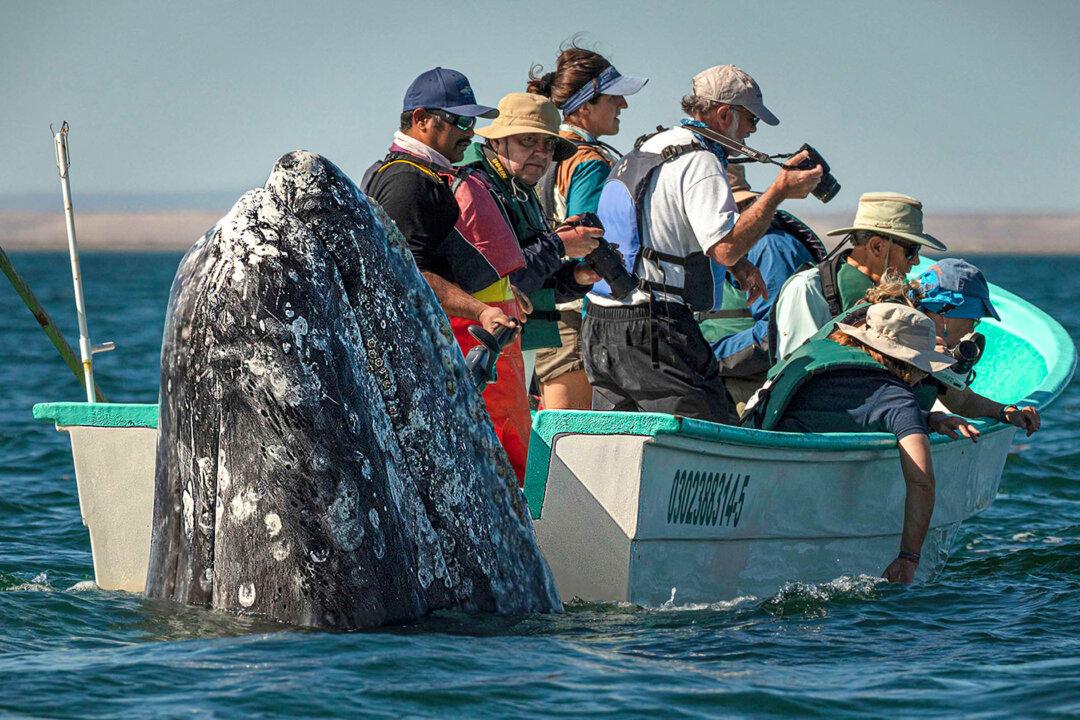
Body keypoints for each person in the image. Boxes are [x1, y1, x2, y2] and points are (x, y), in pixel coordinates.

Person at [582, 64, 822, 423]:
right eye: (751, 120)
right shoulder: (701, 160)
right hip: (655, 326)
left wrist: (739, 267)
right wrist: (779, 191)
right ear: (725, 115)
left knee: (620, 443)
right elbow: (724, 247)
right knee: (716, 441)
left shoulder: (652, 145)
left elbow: (665, 228)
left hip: (601, 323)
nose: (752, 132)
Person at [363, 68, 533, 482]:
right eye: (458, 121)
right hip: (428, 356)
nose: (469, 133)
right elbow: (408, 273)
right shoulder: (408, 181)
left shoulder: (415, 175)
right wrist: (481, 310)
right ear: (421, 119)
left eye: (472, 122)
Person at [747, 303, 979, 583]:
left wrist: (928, 418)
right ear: (910, 363)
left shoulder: (821, 356)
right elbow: (922, 481)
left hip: (753, 483)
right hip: (793, 499)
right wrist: (909, 557)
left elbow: (850, 407)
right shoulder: (897, 398)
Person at [458, 92, 604, 393]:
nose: (541, 152)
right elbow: (500, 278)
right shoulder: (476, 187)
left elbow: (527, 284)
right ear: (497, 142)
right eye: (528, 141)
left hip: (506, 344)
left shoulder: (517, 188)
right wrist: (560, 246)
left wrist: (576, 278)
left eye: (549, 144)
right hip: (478, 341)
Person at [527, 46, 648, 410]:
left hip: (543, 306)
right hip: (575, 318)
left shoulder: (541, 153)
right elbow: (586, 236)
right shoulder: (590, 162)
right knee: (570, 441)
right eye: (613, 98)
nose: (623, 106)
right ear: (584, 106)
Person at [700, 164, 826, 414]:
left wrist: (705, 356)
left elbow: (776, 332)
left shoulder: (771, 249)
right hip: (722, 381)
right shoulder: (737, 250)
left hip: (750, 392)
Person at [770, 192, 947, 362]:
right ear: (877, 247)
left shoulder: (896, 296)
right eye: (911, 250)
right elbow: (798, 368)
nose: (915, 261)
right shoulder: (808, 288)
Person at [913, 259, 1041, 435]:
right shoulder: (897, 339)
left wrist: (1006, 412)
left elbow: (962, 401)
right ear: (946, 315)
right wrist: (930, 419)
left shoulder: (930, 348)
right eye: (973, 320)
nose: (972, 329)